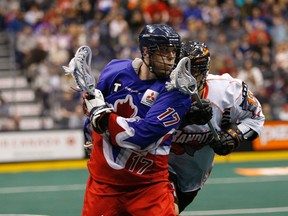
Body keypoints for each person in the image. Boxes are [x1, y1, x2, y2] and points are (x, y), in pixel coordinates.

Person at [68, 24, 193, 216]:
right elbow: (93, 107)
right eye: (164, 51)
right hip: (104, 182)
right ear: (146, 52)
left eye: (173, 52)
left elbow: (141, 136)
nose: (170, 57)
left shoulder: (176, 91)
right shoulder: (114, 70)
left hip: (148, 186)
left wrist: (102, 116)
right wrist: (92, 121)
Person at [168, 40, 265, 213]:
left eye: (192, 71)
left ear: (204, 72)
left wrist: (235, 135)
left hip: (193, 178)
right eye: (179, 69)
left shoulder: (229, 91)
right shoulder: (160, 90)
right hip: (159, 169)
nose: (184, 77)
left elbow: (257, 119)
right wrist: (183, 119)